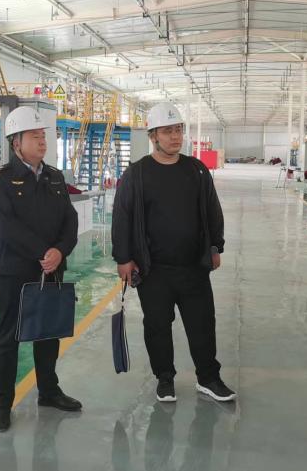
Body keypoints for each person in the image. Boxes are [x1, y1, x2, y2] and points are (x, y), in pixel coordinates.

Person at [111, 102, 236, 404]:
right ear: (153, 135)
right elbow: (122, 217)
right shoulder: (137, 174)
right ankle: (164, 378)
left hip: (194, 266)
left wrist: (215, 246)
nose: (175, 136)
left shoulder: (196, 170)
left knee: (202, 324)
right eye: (167, 131)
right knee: (157, 326)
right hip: (154, 269)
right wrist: (124, 258)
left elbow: (212, 210)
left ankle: (208, 378)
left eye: (178, 130)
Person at [0, 106, 81, 432]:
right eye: (35, 136)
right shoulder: (1, 180)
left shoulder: (54, 177)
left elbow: (70, 220)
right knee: (9, 337)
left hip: (51, 268)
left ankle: (49, 391)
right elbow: (8, 227)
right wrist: (44, 252)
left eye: (43, 136)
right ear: (17, 142)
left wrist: (60, 251)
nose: (43, 141)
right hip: (15, 271)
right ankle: (2, 403)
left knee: (48, 332)